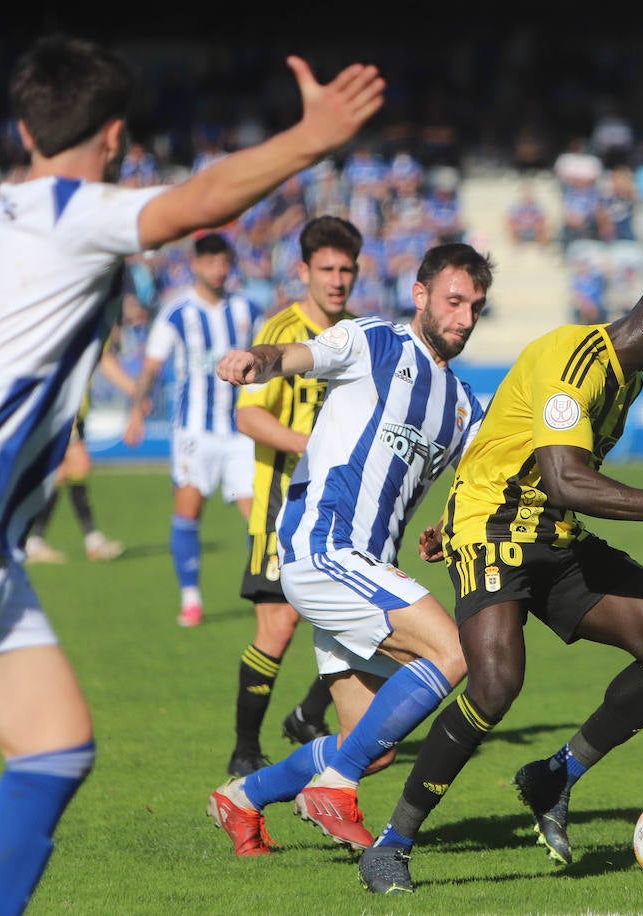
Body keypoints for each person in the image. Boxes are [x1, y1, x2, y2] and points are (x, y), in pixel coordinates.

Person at [0, 32, 384, 915]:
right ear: (118, 138)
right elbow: (197, 199)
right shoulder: (75, 211)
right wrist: (311, 139)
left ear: (23, 130)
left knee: (53, 745)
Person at [356, 262, 643, 895]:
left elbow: (516, 446)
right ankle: (391, 844)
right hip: (494, 530)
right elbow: (566, 479)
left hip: (551, 537)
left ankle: (556, 776)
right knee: (497, 682)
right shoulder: (572, 359)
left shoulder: (625, 382)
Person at [206, 242, 495, 858]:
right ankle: (332, 790)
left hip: (365, 569)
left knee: (373, 743)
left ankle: (243, 798)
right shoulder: (372, 342)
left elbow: (485, 474)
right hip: (324, 547)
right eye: (453, 301)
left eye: (475, 306)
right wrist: (255, 361)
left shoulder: (464, 406)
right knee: (457, 650)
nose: (464, 317)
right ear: (420, 295)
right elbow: (293, 353)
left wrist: (448, 524)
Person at [223, 215, 363, 777]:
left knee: (363, 619)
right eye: (326, 268)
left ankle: (308, 713)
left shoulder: (356, 332)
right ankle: (244, 747)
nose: (337, 279)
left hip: (346, 508)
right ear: (304, 270)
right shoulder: (281, 330)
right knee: (278, 628)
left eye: (346, 269)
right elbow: (250, 417)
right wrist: (313, 444)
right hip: (283, 504)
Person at [122, 230, 260, 625]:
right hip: (194, 433)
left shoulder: (248, 308)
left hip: (240, 433)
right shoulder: (177, 311)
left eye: (224, 262)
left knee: (256, 516)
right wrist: (137, 409)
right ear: (196, 264)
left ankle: (269, 592)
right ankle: (191, 598)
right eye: (211, 262)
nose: (219, 270)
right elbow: (151, 366)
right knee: (188, 512)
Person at [24, 342, 134, 564]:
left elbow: (107, 363)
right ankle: (93, 541)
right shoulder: (78, 335)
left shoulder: (88, 337)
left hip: (73, 413)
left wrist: (135, 392)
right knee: (79, 464)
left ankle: (33, 541)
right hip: (62, 413)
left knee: (61, 474)